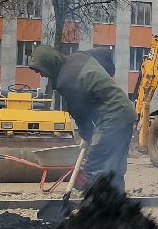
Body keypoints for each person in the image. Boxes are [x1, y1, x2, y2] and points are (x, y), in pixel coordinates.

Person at [29, 45, 136, 189]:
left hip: (111, 118)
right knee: (114, 167)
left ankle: (95, 206)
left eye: (40, 70)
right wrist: (109, 71)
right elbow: (104, 52)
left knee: (93, 169)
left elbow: (79, 113)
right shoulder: (79, 56)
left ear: (49, 64)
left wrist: (88, 136)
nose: (41, 75)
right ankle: (117, 206)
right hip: (126, 112)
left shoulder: (65, 81)